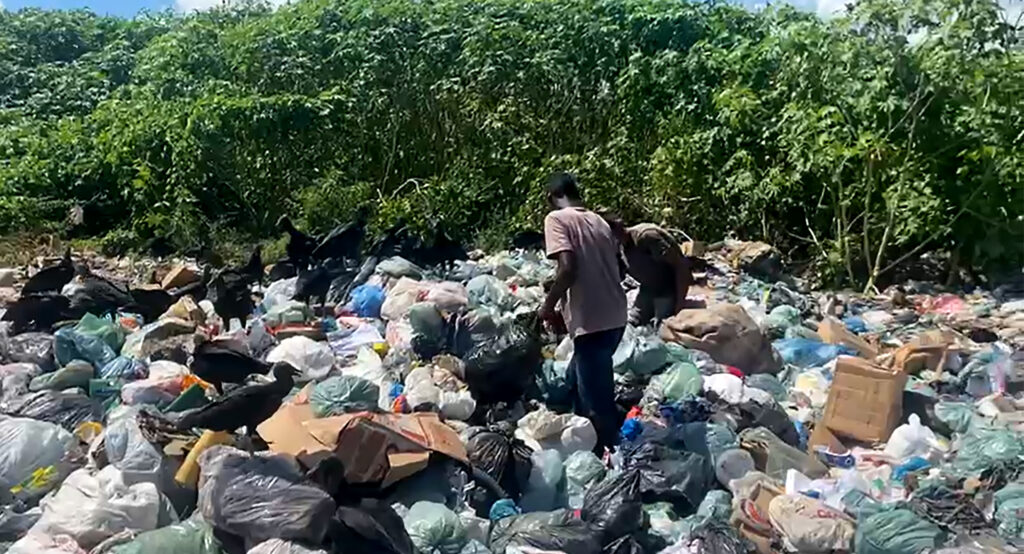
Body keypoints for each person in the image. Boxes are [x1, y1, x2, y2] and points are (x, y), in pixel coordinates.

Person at [539, 172, 627, 452]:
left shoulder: (556, 219)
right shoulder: (599, 220)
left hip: (592, 320)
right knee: (579, 380)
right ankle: (580, 431)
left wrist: (547, 306)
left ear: (551, 197)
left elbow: (568, 268)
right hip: (616, 316)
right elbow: (620, 268)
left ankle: (606, 456)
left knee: (597, 405)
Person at [606, 216, 693, 325]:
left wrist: (679, 306)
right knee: (630, 325)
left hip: (669, 289)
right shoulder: (619, 247)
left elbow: (680, 266)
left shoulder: (646, 236)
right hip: (648, 289)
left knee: (662, 328)